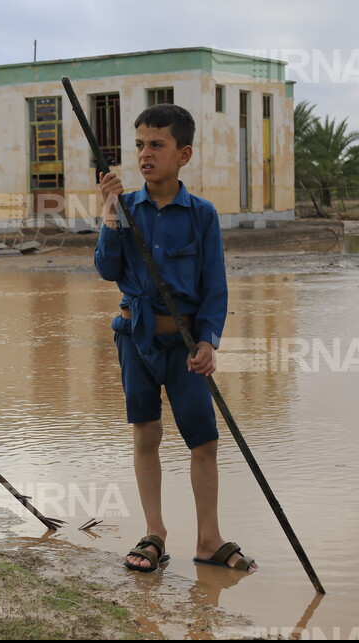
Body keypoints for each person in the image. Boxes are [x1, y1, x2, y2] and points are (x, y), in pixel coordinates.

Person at [95, 103, 257, 573]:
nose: (146, 154)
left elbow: (215, 289)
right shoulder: (123, 209)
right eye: (140, 145)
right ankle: (154, 534)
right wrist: (109, 210)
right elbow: (107, 270)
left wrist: (208, 343)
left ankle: (209, 539)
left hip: (186, 348)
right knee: (147, 433)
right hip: (134, 340)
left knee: (204, 442)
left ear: (183, 154)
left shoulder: (202, 215)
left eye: (157, 145)